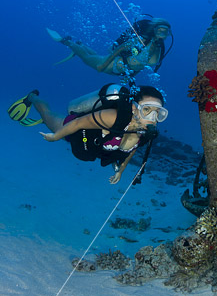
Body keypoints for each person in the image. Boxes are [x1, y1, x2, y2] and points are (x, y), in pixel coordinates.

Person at [7, 85, 168, 185]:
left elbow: (132, 149)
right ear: (134, 108)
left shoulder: (145, 133)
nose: (152, 119)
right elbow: (78, 124)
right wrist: (55, 137)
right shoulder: (112, 117)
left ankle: (44, 119)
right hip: (74, 130)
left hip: (90, 146)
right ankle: (32, 97)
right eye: (147, 110)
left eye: (157, 113)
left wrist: (121, 170)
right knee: (47, 114)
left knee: (49, 119)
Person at [47, 17, 173, 79]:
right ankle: (66, 41)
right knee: (86, 58)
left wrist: (131, 76)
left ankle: (81, 46)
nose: (162, 33)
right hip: (112, 64)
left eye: (165, 31)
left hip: (119, 70)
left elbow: (142, 64)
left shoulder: (158, 48)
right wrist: (103, 66)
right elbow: (121, 48)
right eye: (160, 30)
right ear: (155, 29)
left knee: (94, 56)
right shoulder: (143, 40)